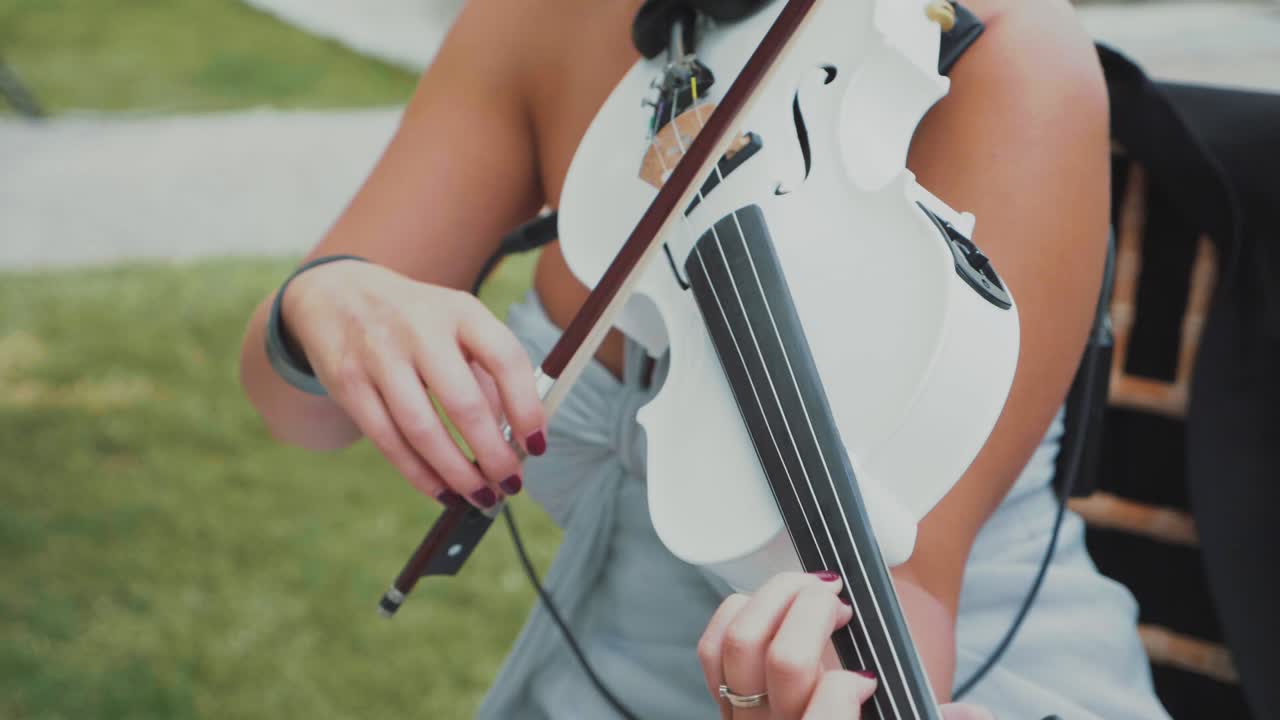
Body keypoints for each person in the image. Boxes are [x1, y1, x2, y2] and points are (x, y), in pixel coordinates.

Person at [238, 0, 1172, 717]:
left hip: (938, 683)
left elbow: (896, 614)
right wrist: (326, 300)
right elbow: (300, 412)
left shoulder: (985, 46)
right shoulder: (551, 19)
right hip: (589, 684)